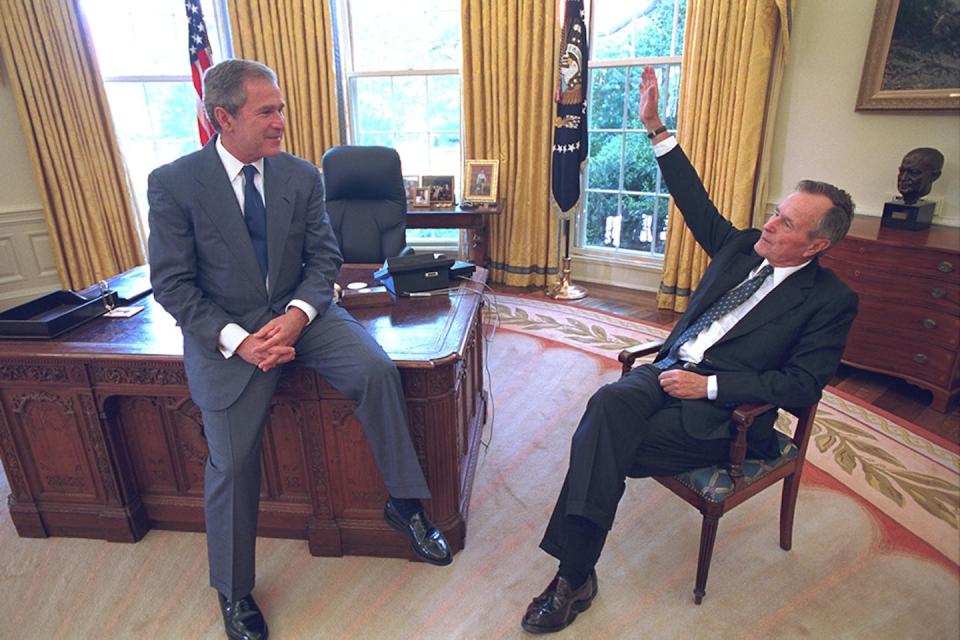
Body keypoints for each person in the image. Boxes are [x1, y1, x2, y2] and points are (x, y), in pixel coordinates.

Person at [520, 65, 859, 634]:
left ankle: (571, 577)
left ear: (817, 244)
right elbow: (692, 197)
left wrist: (711, 387)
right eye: (776, 210)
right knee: (605, 408)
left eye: (786, 222)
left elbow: (802, 385)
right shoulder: (740, 247)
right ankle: (576, 573)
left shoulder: (829, 301)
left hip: (722, 414)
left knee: (600, 446)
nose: (769, 225)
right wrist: (655, 126)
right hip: (666, 372)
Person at [148, 59, 451, 640]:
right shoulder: (174, 183)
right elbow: (173, 285)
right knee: (232, 463)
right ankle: (234, 592)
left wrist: (296, 317)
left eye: (280, 108)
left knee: (376, 370)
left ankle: (406, 504)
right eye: (268, 111)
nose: (281, 121)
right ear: (223, 118)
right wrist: (241, 341)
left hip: (303, 316)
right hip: (226, 335)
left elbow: (324, 261)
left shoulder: (301, 176)